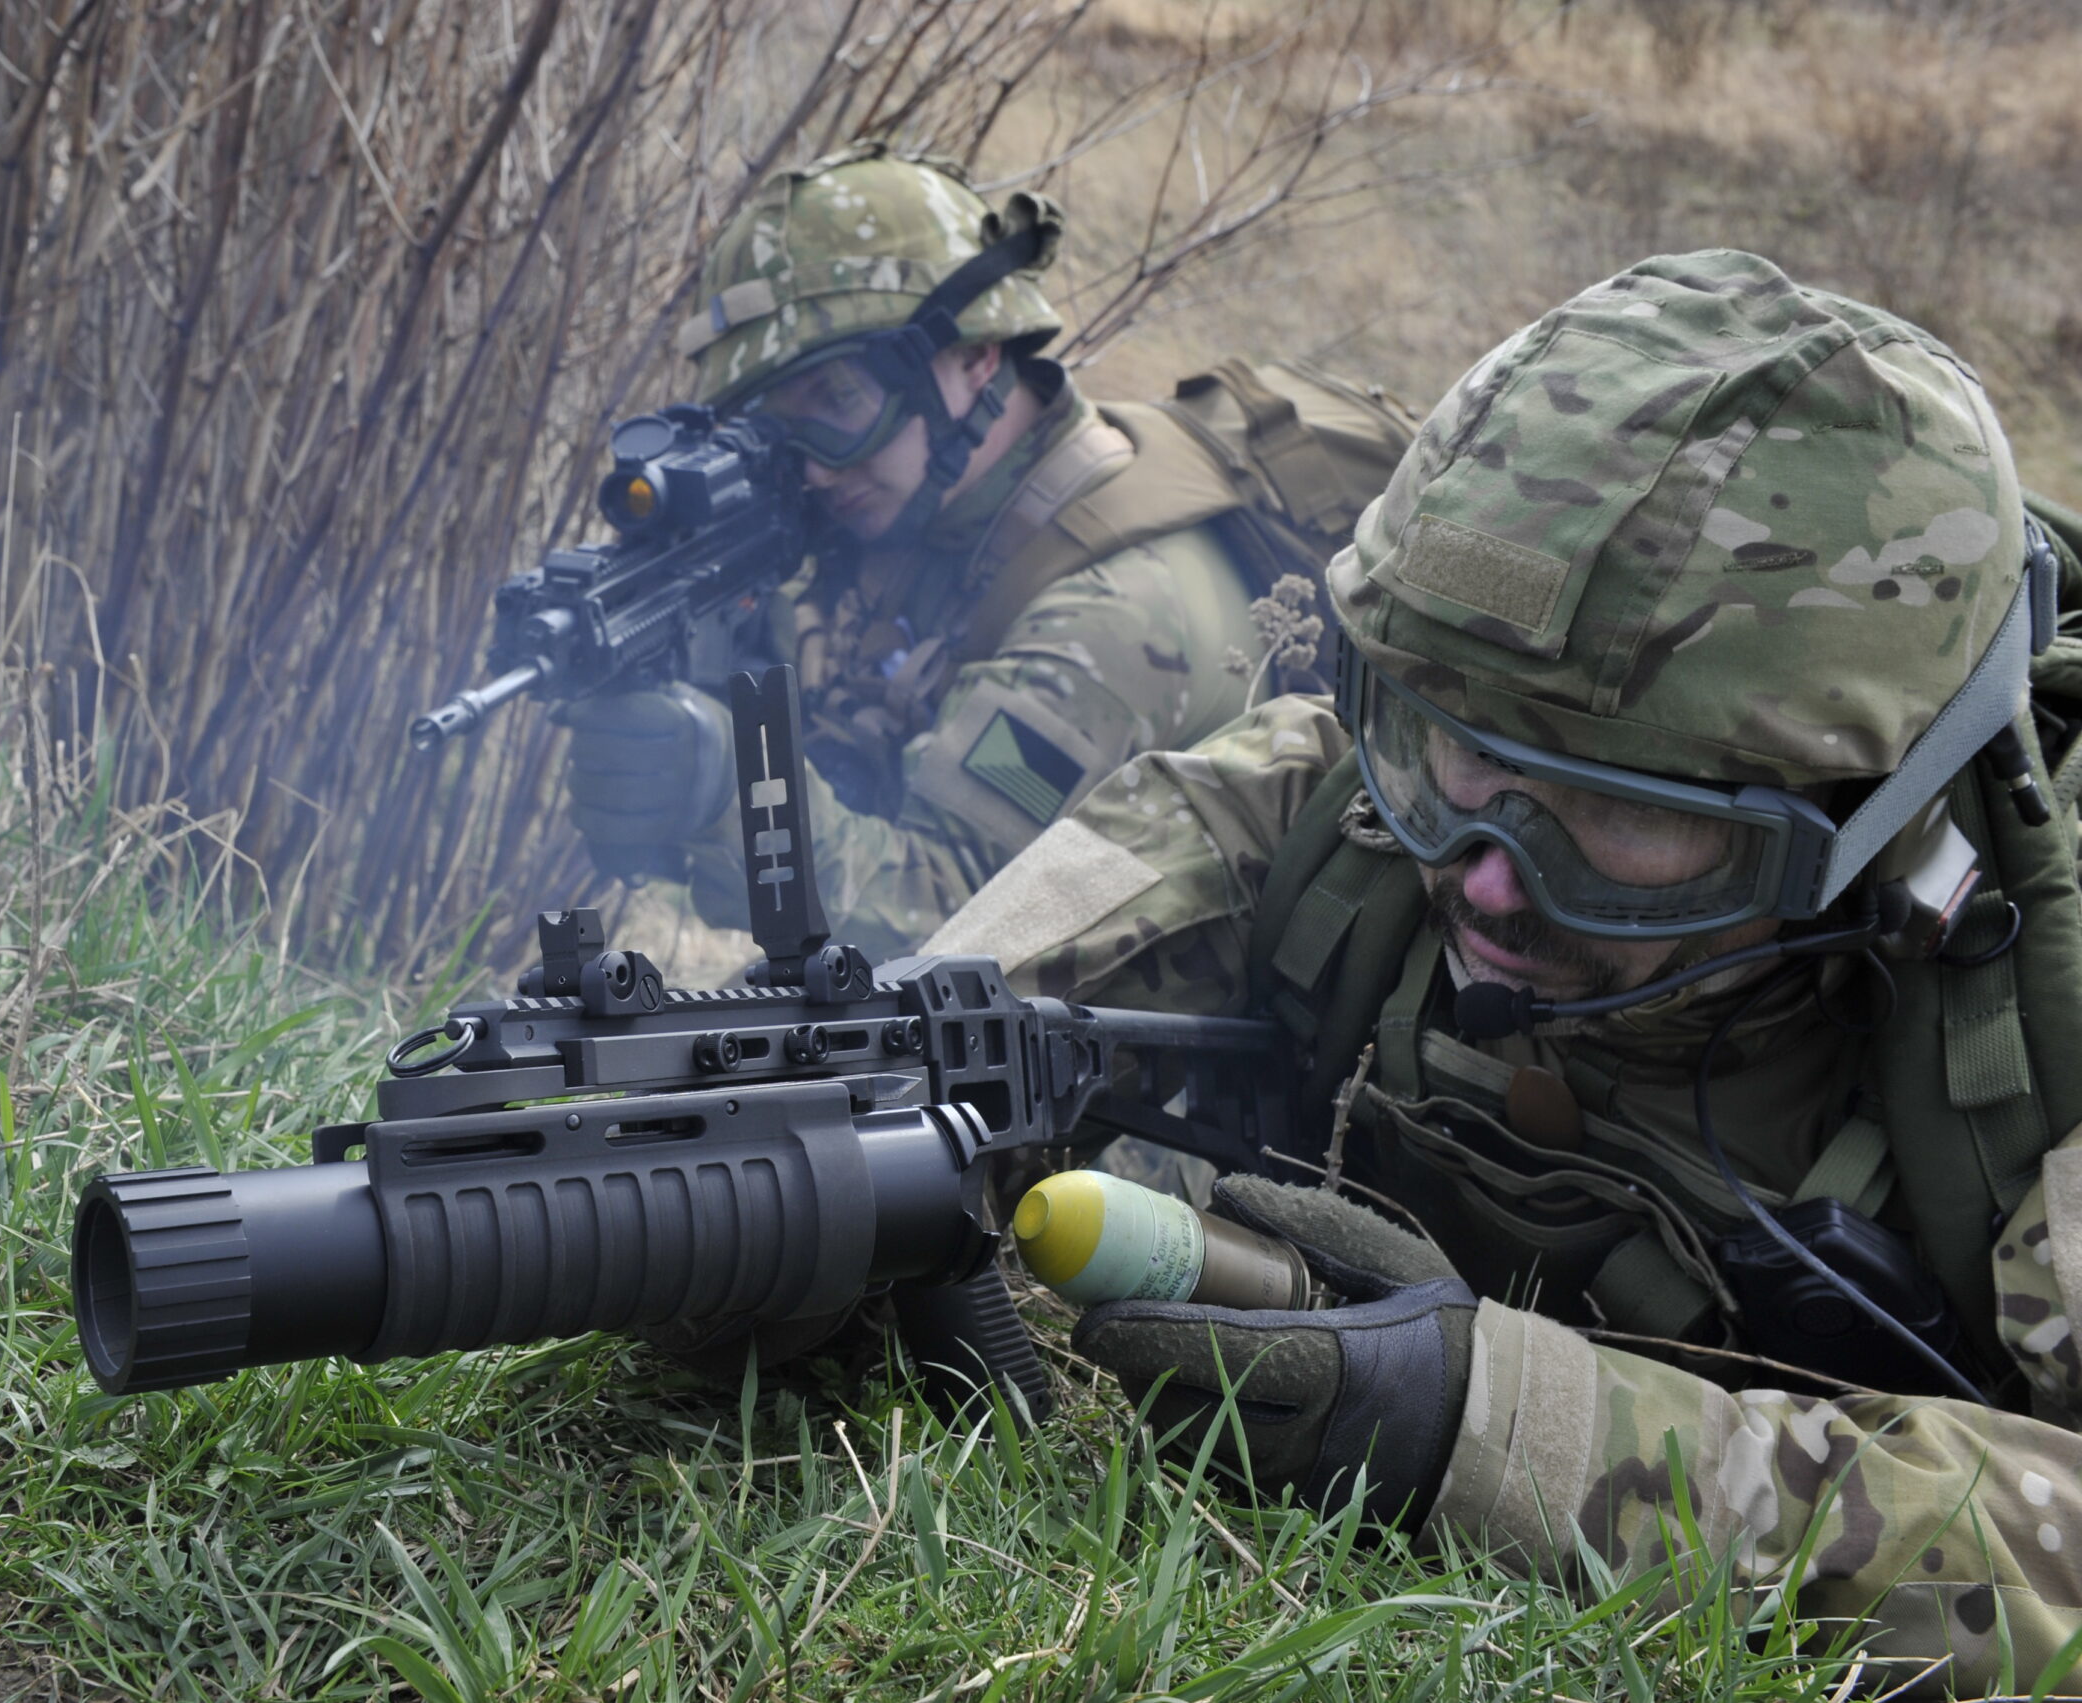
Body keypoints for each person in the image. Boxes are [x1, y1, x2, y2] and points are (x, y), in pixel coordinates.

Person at [926, 249, 2082, 1694]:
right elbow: (918, 1030)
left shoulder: (2041, 1014)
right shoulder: (1337, 816)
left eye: (1617, 809)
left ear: (1873, 811)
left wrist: (1504, 1429)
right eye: (1459, 744)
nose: (1483, 874)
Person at [560, 141, 1413, 963]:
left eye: (839, 398)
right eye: (780, 424)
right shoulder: (940, 507)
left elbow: (943, 930)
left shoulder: (1110, 619)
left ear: (975, 355)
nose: (814, 466)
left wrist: (732, 786)